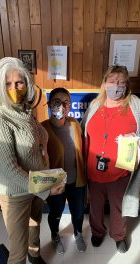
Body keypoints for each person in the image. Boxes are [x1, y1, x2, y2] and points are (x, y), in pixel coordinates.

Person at [0, 57, 64, 264]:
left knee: (35, 224)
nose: (14, 89)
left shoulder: (26, 112)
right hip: (15, 193)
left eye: (20, 83)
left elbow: (37, 147)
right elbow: (10, 169)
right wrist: (46, 189)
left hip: (37, 186)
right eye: (7, 83)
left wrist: (48, 179)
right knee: (17, 252)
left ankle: (36, 254)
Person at [81, 65, 140, 253]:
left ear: (127, 85)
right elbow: (83, 130)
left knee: (119, 207)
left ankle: (119, 235)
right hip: (94, 170)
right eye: (112, 81)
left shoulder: (135, 104)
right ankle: (97, 232)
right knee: (95, 205)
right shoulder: (95, 105)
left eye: (122, 82)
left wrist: (138, 138)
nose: (117, 86)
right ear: (104, 83)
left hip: (121, 172)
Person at [41, 88, 86, 254]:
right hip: (56, 184)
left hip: (76, 179)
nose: (62, 106)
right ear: (49, 104)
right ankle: (55, 235)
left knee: (78, 211)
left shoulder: (75, 124)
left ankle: (78, 233)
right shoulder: (42, 128)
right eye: (57, 101)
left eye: (66, 102)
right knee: (56, 212)